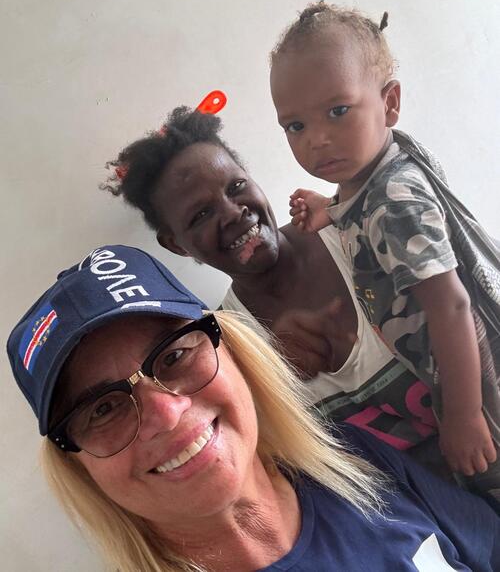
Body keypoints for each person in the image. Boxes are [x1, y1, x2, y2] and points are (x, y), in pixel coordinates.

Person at [6, 244, 500, 572]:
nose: (167, 414)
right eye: (102, 409)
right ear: (77, 464)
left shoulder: (352, 458)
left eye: (174, 356)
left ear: (234, 351)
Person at [102, 108, 449, 465]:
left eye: (236, 187)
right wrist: (276, 379)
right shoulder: (225, 349)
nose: (233, 212)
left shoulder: (358, 232)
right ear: (176, 244)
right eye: (201, 214)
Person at [269, 0, 500, 503]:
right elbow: (375, 209)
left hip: (482, 384)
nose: (317, 140)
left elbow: (451, 305)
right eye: (295, 126)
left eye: (338, 111)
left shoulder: (393, 204)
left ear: (389, 103)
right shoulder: (379, 173)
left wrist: (464, 415)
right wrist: (332, 210)